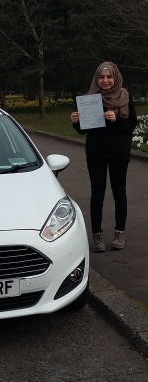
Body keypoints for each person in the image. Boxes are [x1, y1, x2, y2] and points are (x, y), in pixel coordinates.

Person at [71, 61, 137, 252]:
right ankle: (97, 236)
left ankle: (119, 233)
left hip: (119, 151)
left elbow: (130, 125)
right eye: (102, 77)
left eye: (109, 77)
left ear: (115, 77)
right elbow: (83, 130)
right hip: (96, 152)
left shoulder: (125, 96)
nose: (105, 80)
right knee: (97, 193)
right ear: (96, 78)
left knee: (119, 192)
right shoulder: (89, 98)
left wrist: (116, 120)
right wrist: (76, 122)